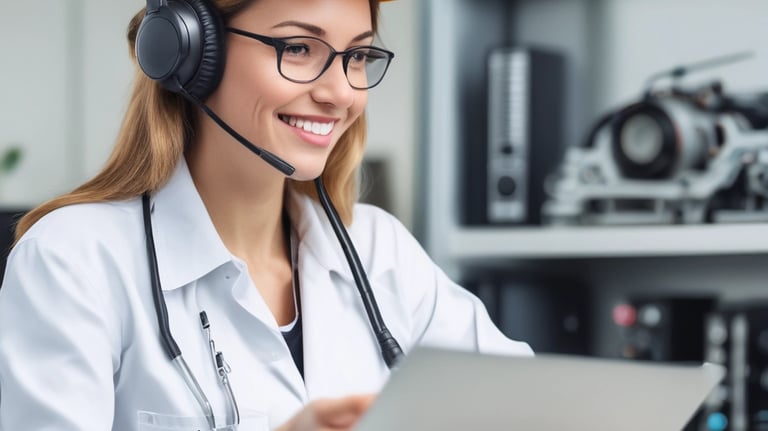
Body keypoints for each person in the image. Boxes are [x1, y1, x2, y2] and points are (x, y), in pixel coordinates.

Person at [0, 0, 533, 430]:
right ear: (189, 52)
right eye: (298, 48)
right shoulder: (74, 259)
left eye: (357, 56)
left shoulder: (377, 249)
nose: (340, 93)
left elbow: (534, 406)